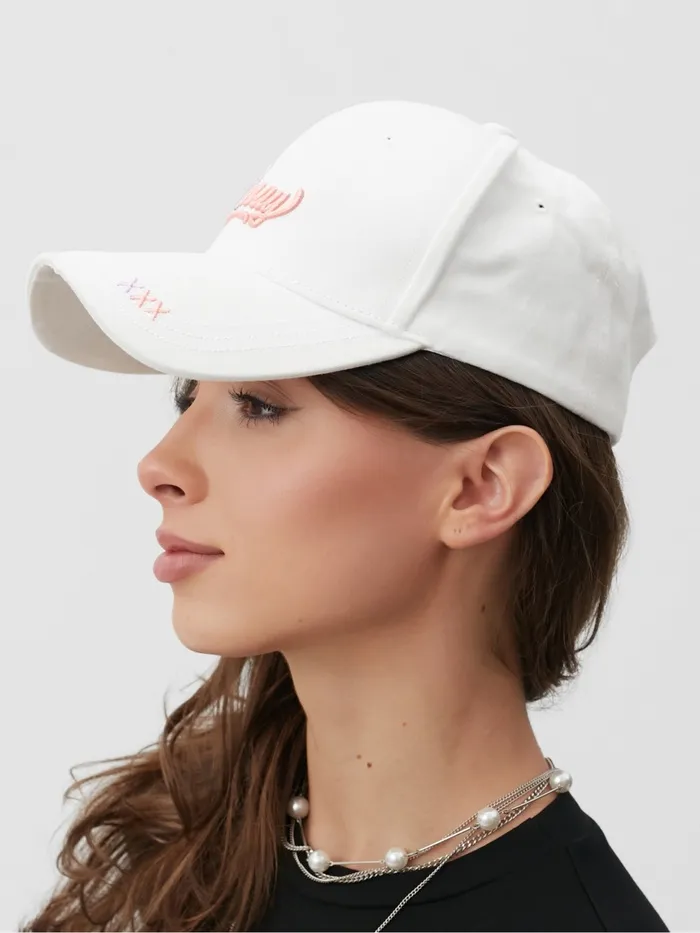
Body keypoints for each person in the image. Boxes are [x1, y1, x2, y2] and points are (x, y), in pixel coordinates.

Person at [20, 100, 668, 932]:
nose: (160, 466)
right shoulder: (174, 869)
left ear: (482, 486)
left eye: (258, 405)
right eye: (189, 396)